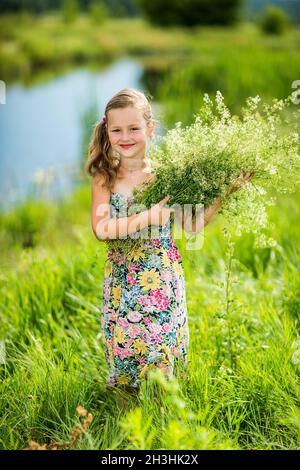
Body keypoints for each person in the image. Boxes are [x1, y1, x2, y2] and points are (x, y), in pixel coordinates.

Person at [85, 87, 253, 405]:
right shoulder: (104, 177)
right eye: (117, 129)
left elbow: (192, 225)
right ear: (107, 130)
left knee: (161, 352)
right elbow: (102, 229)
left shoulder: (166, 176)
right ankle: (127, 417)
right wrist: (148, 216)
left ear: (150, 128)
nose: (126, 136)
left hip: (162, 279)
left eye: (134, 128)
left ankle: (163, 418)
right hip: (124, 280)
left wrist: (224, 193)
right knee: (126, 350)